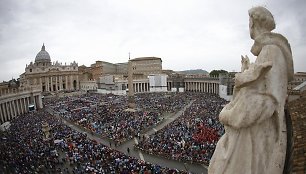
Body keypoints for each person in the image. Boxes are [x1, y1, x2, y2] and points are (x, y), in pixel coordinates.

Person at [208, 6, 293, 174]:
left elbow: (266, 101)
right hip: (254, 137)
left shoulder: (271, 51)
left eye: (249, 22)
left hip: (252, 142)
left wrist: (228, 115)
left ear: (253, 23)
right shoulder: (268, 52)